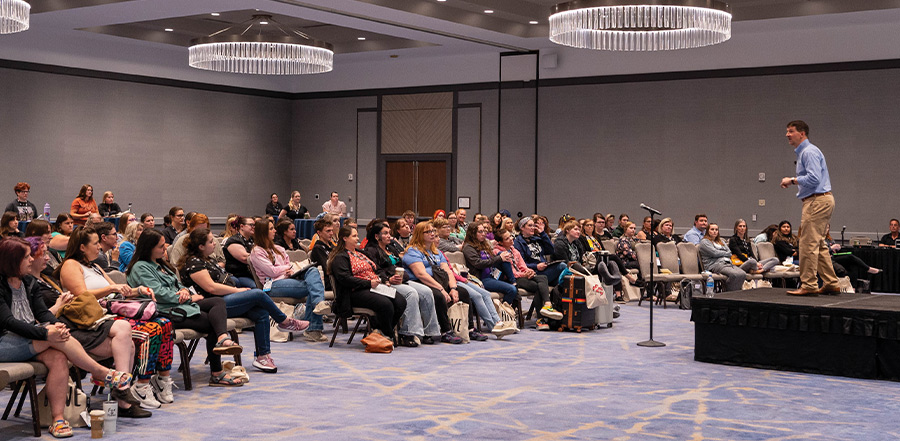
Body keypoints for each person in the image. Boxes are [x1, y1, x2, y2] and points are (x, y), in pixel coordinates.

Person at [0, 237, 137, 437]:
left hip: (30, 339)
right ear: (13, 260)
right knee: (53, 339)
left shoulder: (29, 282)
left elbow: (43, 314)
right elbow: (8, 322)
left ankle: (57, 419)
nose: (31, 260)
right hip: (5, 342)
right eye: (27, 256)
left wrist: (57, 326)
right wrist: (46, 333)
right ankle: (101, 372)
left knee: (58, 356)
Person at [25, 237, 149, 419]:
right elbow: (34, 319)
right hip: (62, 330)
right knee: (128, 342)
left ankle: (121, 390)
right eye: (41, 254)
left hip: (76, 324)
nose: (47, 258)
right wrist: (59, 305)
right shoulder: (29, 284)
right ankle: (122, 396)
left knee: (125, 332)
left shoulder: (46, 279)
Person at [57, 228, 173, 410]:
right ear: (82, 247)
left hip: (112, 313)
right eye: (95, 243)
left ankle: (159, 381)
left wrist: (139, 290)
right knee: (150, 331)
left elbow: (120, 290)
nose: (98, 247)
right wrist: (111, 290)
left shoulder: (94, 266)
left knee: (164, 324)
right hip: (91, 317)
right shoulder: (71, 265)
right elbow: (81, 294)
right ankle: (140, 385)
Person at [178, 228, 308, 373]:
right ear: (201, 246)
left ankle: (263, 357)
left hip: (224, 299)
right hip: (214, 306)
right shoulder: (194, 263)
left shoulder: (207, 260)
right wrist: (237, 291)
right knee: (258, 294)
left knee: (260, 312)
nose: (214, 244)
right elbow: (211, 288)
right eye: (210, 242)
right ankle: (284, 321)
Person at [127, 229, 244, 387]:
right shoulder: (140, 267)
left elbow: (179, 284)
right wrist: (185, 297)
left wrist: (184, 291)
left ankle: (222, 338)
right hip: (162, 311)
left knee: (216, 302)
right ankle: (217, 373)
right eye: (161, 246)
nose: (165, 249)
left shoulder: (161, 264)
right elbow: (158, 293)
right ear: (148, 248)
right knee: (211, 323)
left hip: (180, 305)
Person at [779, 120, 839, 295]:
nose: (787, 134)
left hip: (816, 201)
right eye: (787, 131)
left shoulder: (809, 152)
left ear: (802, 133)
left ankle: (809, 285)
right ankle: (831, 282)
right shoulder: (806, 152)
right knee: (818, 244)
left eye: (791, 131)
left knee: (807, 244)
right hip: (820, 200)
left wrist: (792, 180)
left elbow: (813, 178)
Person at [248, 218, 329, 342]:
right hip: (272, 285)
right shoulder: (257, 252)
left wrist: (289, 269)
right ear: (263, 232)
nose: (274, 231)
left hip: (289, 279)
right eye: (271, 229)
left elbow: (284, 265)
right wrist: (288, 267)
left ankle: (318, 306)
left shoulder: (278, 248)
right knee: (313, 287)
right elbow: (271, 271)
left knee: (312, 271)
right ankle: (314, 327)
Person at [362, 222, 441, 347]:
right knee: (411, 293)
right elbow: (375, 270)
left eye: (389, 233)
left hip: (401, 280)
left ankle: (429, 332)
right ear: (377, 236)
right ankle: (408, 333)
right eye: (385, 233)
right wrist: (388, 278)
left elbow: (400, 266)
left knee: (426, 291)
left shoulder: (390, 248)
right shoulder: (370, 251)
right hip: (385, 283)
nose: (389, 236)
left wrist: (401, 277)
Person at [327, 225, 407, 346]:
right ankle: (387, 335)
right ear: (344, 238)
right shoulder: (340, 257)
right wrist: (368, 283)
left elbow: (377, 269)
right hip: (354, 292)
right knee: (386, 304)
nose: (357, 238)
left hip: (374, 287)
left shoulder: (361, 253)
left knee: (401, 301)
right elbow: (345, 279)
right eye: (354, 236)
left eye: (357, 235)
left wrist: (385, 280)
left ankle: (380, 331)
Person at [401, 221, 468, 344]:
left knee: (463, 292)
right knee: (437, 295)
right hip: (419, 282)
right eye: (428, 232)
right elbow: (421, 274)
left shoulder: (436, 251)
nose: (432, 234)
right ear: (419, 234)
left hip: (437, 281)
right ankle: (445, 331)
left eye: (433, 231)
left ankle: (467, 328)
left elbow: (447, 271)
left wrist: (453, 288)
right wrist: (442, 289)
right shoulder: (413, 251)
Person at [493, 230, 561, 330]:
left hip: (523, 276)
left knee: (543, 278)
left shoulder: (514, 250)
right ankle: (541, 319)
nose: (511, 239)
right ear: (500, 242)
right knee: (539, 287)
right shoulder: (498, 252)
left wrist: (530, 271)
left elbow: (522, 265)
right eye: (507, 238)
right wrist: (524, 275)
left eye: (511, 236)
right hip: (512, 280)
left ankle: (547, 305)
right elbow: (511, 273)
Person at [461, 222, 519, 339]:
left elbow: (492, 260)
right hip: (480, 279)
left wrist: (500, 258)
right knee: (512, 290)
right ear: (473, 233)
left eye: (485, 231)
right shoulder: (468, 247)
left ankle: (503, 319)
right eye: (480, 232)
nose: (484, 234)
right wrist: (499, 258)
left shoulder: (484, 245)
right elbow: (478, 264)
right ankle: (501, 318)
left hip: (492, 275)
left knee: (514, 289)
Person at [513, 217, 567, 287]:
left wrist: (542, 233)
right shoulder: (517, 243)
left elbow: (551, 250)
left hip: (544, 269)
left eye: (533, 225)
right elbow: (520, 264)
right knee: (562, 267)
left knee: (566, 280)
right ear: (522, 228)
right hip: (533, 272)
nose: (533, 228)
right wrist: (536, 266)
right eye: (530, 225)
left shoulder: (536, 239)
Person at [699, 223, 749, 292]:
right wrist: (724, 253)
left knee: (743, 274)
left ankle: (734, 293)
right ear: (708, 231)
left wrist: (721, 253)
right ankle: (728, 294)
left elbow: (729, 253)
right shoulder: (704, 242)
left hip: (727, 263)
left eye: (716, 230)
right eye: (712, 229)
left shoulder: (721, 241)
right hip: (714, 265)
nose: (714, 231)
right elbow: (714, 253)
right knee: (734, 275)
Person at [222, 216, 258, 289]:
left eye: (254, 225)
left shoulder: (252, 240)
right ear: (242, 226)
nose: (254, 227)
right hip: (239, 275)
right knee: (255, 287)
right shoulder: (234, 240)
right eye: (251, 225)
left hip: (254, 273)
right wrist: (263, 257)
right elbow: (245, 258)